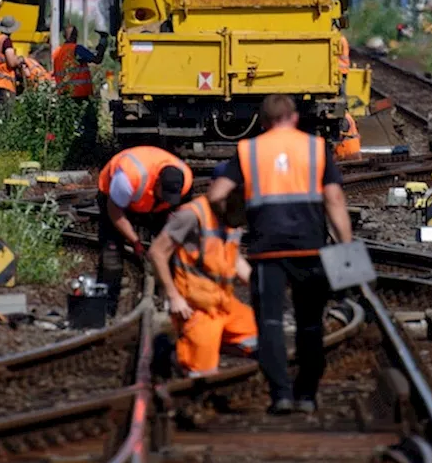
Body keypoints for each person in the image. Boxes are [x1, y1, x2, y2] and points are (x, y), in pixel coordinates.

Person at [208, 94, 354, 415]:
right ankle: (307, 395)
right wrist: (346, 247)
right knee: (310, 325)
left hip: (266, 251)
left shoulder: (249, 149)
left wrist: (234, 218)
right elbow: (335, 201)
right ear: (294, 117)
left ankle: (281, 395)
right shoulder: (316, 148)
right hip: (310, 248)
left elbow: (217, 194)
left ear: (262, 122)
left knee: (270, 324)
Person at [148, 173, 259, 377]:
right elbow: (156, 251)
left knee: (263, 338)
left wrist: (258, 284)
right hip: (195, 307)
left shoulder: (234, 215)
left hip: (223, 303)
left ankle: (203, 344)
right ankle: (175, 354)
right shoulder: (192, 215)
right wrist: (173, 297)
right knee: (203, 375)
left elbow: (233, 257)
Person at [52, 25, 106, 99]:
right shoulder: (77, 49)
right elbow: (97, 59)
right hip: (79, 94)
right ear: (75, 35)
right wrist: (103, 42)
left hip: (63, 94)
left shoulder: (58, 52)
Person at [0, 15, 25, 103]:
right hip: (5, 83)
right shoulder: (6, 42)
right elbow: (11, 63)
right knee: (8, 112)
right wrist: (20, 60)